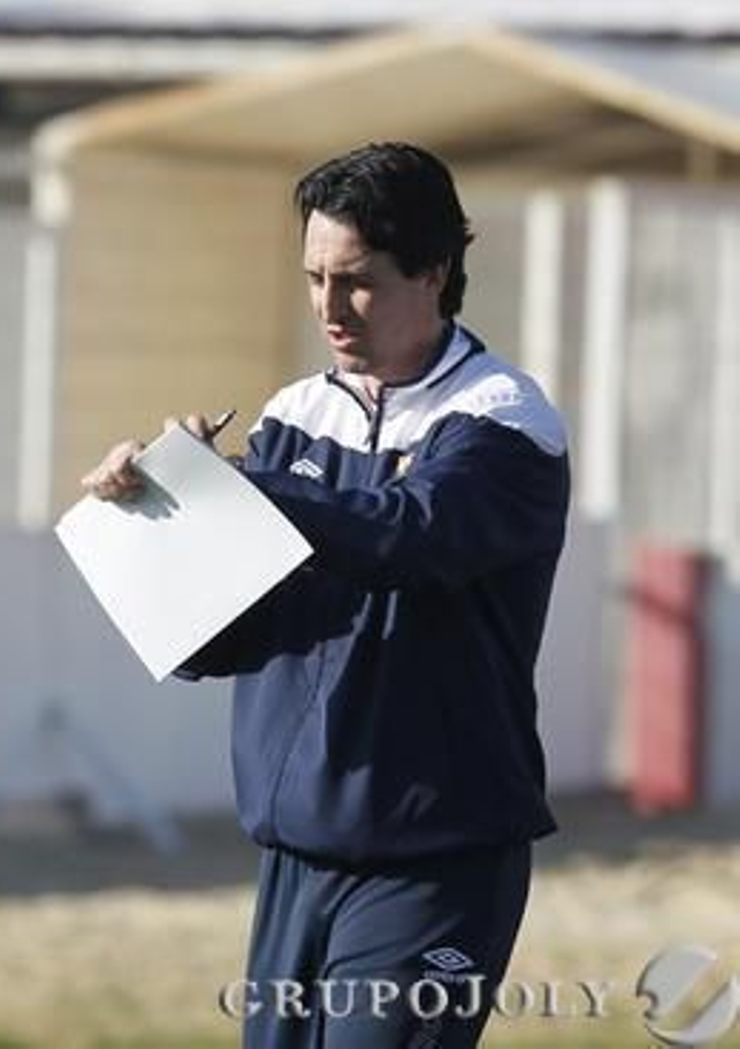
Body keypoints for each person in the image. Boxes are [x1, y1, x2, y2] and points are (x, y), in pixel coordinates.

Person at [82, 142, 569, 1048]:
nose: (330, 309)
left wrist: (251, 488)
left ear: (435, 269)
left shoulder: (507, 419)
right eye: (313, 278)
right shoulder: (294, 415)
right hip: (295, 857)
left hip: (434, 861)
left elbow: (410, 535)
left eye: (358, 280)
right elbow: (223, 637)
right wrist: (171, 509)